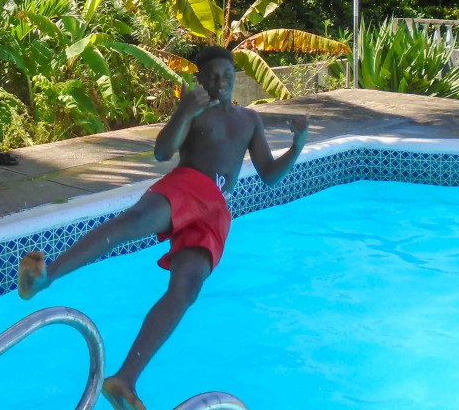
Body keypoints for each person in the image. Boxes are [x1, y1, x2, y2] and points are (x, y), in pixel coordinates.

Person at [17, 45, 310, 410]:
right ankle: (46, 277)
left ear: (236, 78)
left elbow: (269, 175)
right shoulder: (195, 112)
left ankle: (124, 379)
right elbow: (162, 151)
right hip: (188, 183)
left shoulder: (249, 120)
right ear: (200, 80)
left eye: (227, 76)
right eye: (213, 77)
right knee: (130, 223)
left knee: (186, 290)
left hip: (216, 209)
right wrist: (185, 111)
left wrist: (297, 146)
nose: (221, 83)